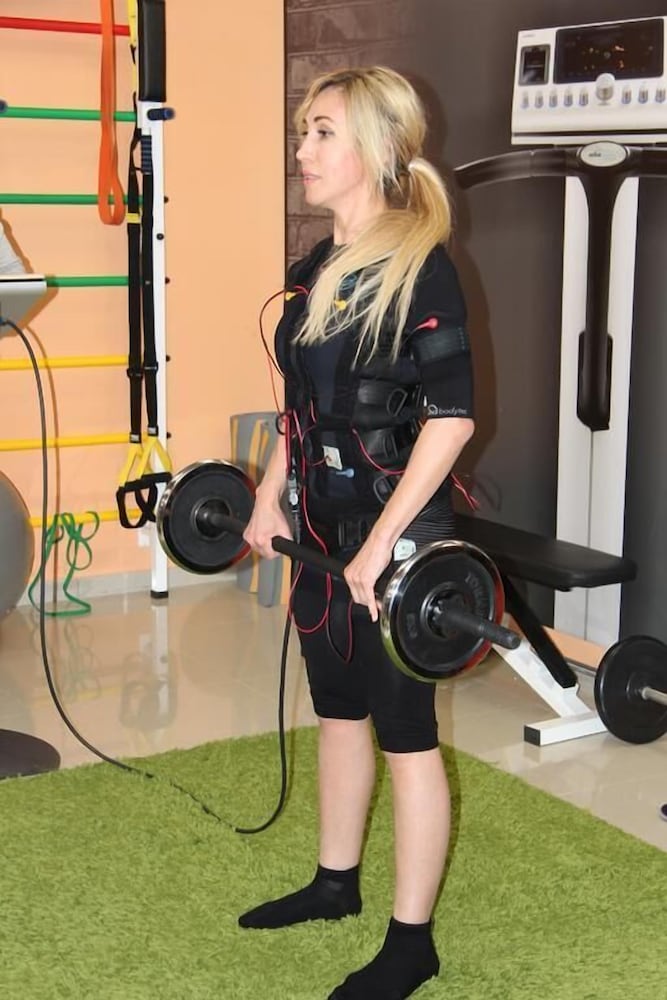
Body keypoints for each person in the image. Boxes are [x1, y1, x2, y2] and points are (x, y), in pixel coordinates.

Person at [240, 66, 475, 1000]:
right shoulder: (315, 270)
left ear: (374, 149)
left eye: (322, 132)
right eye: (303, 130)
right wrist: (269, 495)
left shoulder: (422, 266)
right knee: (337, 709)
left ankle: (412, 944)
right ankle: (335, 884)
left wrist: (380, 546)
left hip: (397, 539)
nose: (302, 149)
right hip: (319, 529)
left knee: (405, 734)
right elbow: (301, 408)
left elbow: (450, 419)